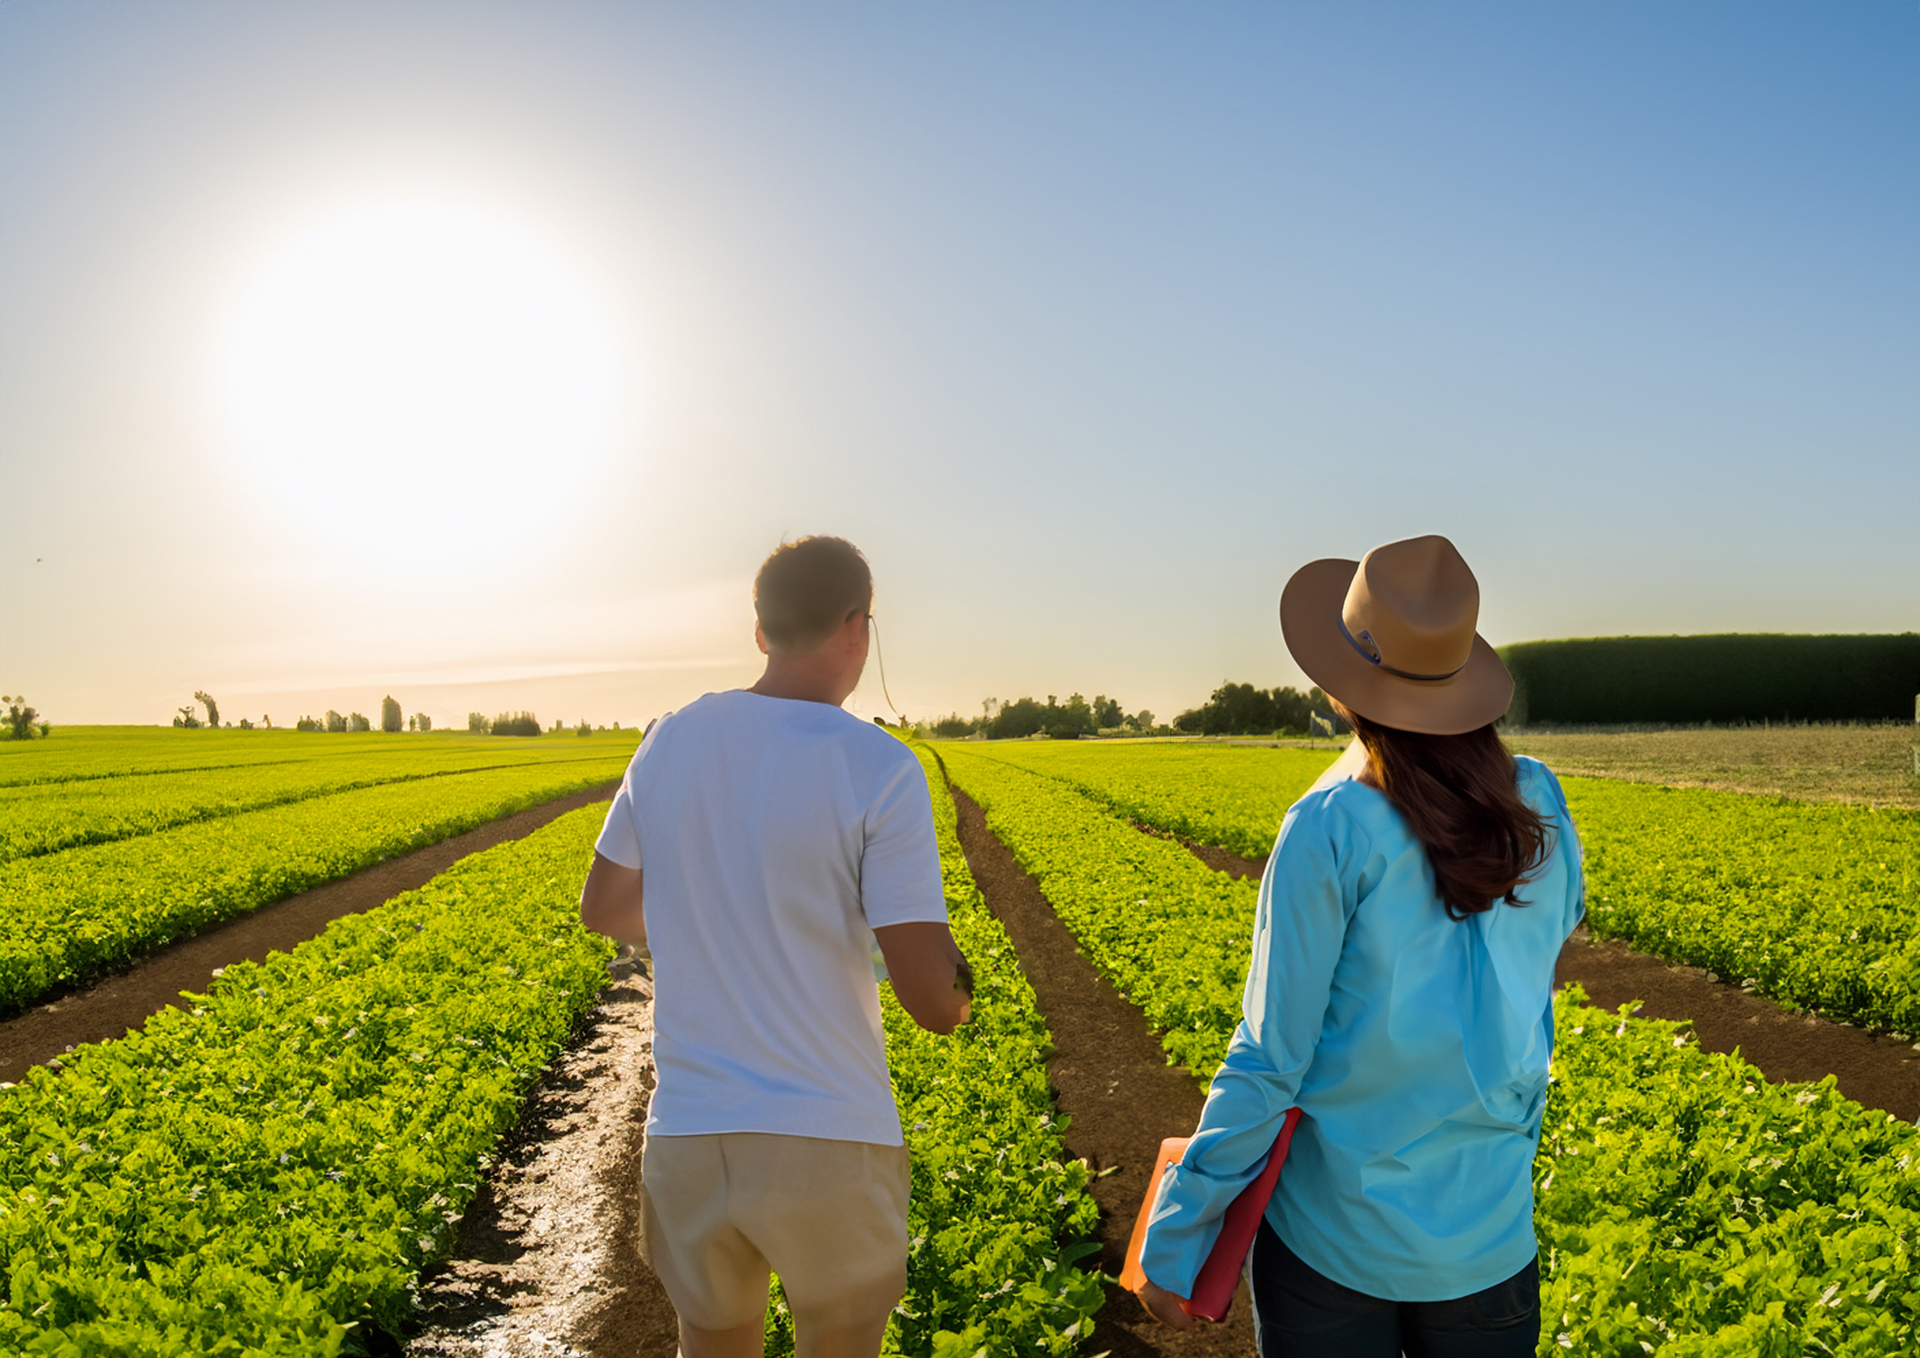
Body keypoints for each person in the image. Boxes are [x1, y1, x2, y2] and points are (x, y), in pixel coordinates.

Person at [1134, 534, 1584, 1357]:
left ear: (1344, 683)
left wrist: (1178, 1234)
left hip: (1335, 1245)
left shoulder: (1331, 826)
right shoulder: (1540, 802)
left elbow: (1272, 1058)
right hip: (1489, 1239)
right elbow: (1543, 968)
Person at [579, 535, 972, 1358]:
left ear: (761, 631)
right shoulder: (881, 767)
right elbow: (933, 1004)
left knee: (713, 1341)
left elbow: (607, 906)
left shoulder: (671, 738)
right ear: (858, 628)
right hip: (827, 1130)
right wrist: (961, 986)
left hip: (689, 1128)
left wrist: (714, 914)